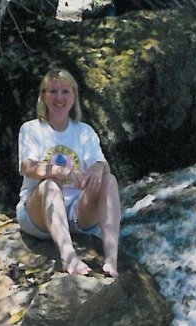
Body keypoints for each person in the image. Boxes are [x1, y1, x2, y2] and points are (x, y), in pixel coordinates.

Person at [16, 68, 121, 277]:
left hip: (77, 215)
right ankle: (69, 258)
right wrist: (62, 171)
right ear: (43, 96)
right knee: (50, 184)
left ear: (74, 96)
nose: (59, 98)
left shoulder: (84, 131)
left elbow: (102, 163)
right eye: (53, 91)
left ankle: (111, 259)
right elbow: (27, 166)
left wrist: (97, 168)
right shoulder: (31, 129)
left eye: (65, 91)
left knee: (109, 179)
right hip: (38, 216)